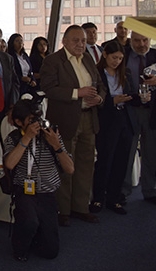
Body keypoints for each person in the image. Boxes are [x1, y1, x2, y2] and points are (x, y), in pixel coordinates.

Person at [41, 25, 104, 226]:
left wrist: (99, 99)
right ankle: (63, 210)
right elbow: (48, 88)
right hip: (64, 119)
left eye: (83, 41)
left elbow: (100, 85)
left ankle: (80, 207)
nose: (80, 44)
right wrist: (78, 93)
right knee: (64, 164)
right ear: (65, 41)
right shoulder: (53, 60)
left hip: (88, 118)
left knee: (85, 165)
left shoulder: (88, 59)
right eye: (76, 40)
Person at [3, 99, 74, 262]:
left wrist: (57, 145)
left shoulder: (51, 135)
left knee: (50, 251)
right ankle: (20, 244)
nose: (37, 123)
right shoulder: (13, 138)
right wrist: (27, 138)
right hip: (24, 192)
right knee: (29, 222)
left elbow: (70, 169)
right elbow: (10, 164)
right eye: (31, 120)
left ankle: (37, 234)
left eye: (38, 118)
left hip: (48, 192)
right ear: (19, 122)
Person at [122, 31, 156, 206]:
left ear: (150, 40)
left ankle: (150, 191)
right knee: (126, 153)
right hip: (129, 110)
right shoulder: (123, 55)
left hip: (153, 112)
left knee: (151, 153)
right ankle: (123, 191)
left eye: (145, 40)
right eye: (137, 40)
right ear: (131, 40)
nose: (141, 44)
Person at [91, 41, 135, 215]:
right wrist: (112, 101)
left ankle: (114, 198)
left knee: (121, 161)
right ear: (105, 55)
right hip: (107, 121)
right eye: (114, 57)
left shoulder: (125, 73)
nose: (117, 61)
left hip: (125, 119)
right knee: (105, 160)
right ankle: (98, 198)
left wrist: (141, 98)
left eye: (120, 58)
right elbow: (95, 99)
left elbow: (131, 94)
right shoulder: (97, 73)